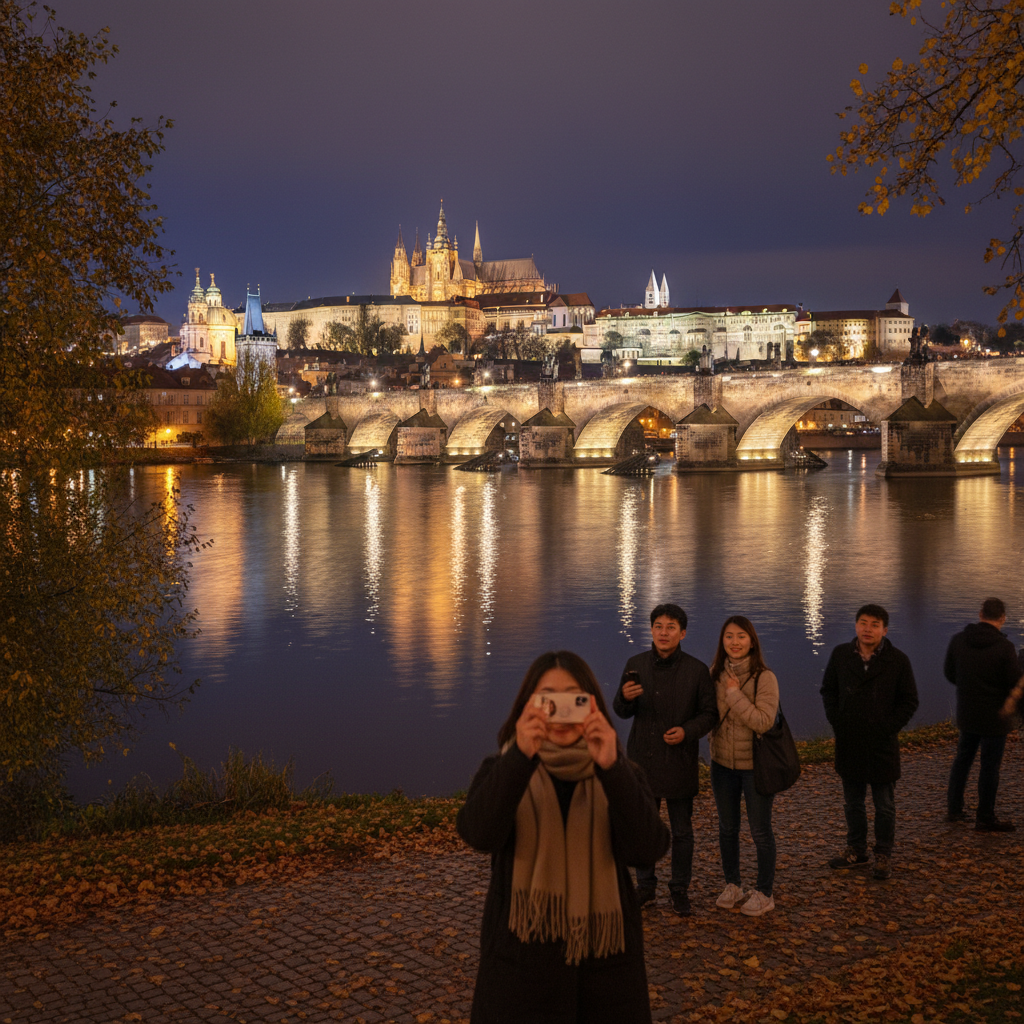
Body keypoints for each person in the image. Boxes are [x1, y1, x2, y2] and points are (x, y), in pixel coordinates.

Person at [456, 651, 670, 1024]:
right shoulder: (505, 767)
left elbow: (647, 848)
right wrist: (521, 757)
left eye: (573, 698)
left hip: (608, 975)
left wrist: (611, 767)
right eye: (547, 699)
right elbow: (479, 833)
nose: (559, 711)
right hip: (520, 974)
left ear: (591, 706)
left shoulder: (620, 772)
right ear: (528, 707)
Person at [612, 603, 718, 915]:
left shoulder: (697, 671)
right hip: (642, 760)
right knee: (644, 826)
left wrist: (687, 732)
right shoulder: (636, 663)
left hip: (679, 759)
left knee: (682, 831)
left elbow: (710, 714)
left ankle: (679, 889)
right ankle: (645, 886)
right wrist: (624, 698)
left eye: (671, 627)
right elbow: (621, 711)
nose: (663, 632)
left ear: (682, 633)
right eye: (658, 626)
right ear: (651, 630)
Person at [821, 604, 919, 881]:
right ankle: (857, 850)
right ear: (856, 626)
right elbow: (828, 690)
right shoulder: (841, 655)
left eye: (874, 624)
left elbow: (909, 700)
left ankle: (883, 854)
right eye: (863, 622)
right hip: (849, 740)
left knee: (884, 804)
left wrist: (888, 728)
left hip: (881, 744)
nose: (867, 629)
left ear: (884, 630)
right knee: (852, 803)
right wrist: (837, 721)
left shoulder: (898, 661)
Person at [708, 616, 780, 917]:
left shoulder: (765, 677)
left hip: (755, 767)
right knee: (727, 828)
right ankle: (733, 884)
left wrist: (735, 695)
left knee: (760, 831)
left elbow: (764, 721)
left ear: (752, 641)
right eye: (728, 637)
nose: (734, 642)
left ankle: (764, 891)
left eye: (741, 636)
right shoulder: (713, 674)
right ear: (722, 642)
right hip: (722, 764)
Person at [945, 598, 1020, 832]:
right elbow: (1014, 683)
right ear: (1002, 618)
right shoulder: (1004, 648)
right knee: (989, 766)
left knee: (962, 760)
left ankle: (954, 810)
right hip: (995, 716)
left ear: (980, 614)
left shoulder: (958, 640)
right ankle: (985, 817)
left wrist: (968, 688)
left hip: (967, 712)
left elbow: (949, 673)